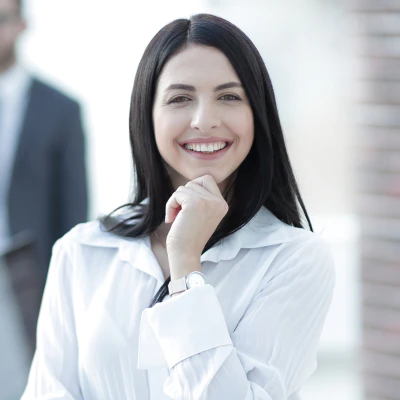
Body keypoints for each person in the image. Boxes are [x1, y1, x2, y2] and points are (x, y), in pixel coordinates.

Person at [21, 13, 335, 400]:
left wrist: (186, 268)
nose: (204, 120)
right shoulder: (82, 252)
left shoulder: (293, 259)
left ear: (258, 114)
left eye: (229, 96)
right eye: (180, 98)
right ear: (147, 116)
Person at [0, 0, 88, 286]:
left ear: (21, 25)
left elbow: (73, 210)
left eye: (1, 18)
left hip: (30, 279)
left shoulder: (61, 110)